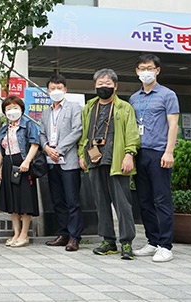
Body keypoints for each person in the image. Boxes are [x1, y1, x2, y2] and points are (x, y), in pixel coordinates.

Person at [78, 68, 140, 260]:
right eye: (100, 84)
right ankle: (108, 241)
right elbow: (84, 133)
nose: (103, 87)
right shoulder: (89, 107)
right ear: (94, 86)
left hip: (117, 159)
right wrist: (82, 154)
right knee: (101, 202)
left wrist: (129, 154)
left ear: (115, 86)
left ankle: (127, 242)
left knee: (122, 204)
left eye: (107, 84)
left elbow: (132, 133)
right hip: (95, 159)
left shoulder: (124, 107)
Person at [129, 54, 180, 262]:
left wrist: (169, 151)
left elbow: (173, 125)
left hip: (159, 153)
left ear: (157, 70)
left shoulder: (168, 95)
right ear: (137, 71)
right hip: (140, 153)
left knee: (162, 199)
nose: (145, 72)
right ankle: (152, 241)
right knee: (144, 200)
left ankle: (166, 245)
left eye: (149, 68)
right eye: (142, 68)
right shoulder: (134, 98)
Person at [40, 74, 84, 252]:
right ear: (47, 91)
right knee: (57, 200)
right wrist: (46, 148)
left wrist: (59, 149)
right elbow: (42, 133)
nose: (55, 91)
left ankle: (74, 237)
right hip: (52, 161)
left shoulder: (74, 108)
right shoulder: (46, 112)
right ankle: (63, 233)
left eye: (59, 88)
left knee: (72, 200)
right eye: (52, 88)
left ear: (65, 89)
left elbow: (77, 130)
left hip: (69, 161)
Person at [0, 95, 40, 248]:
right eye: (8, 109)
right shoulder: (3, 129)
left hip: (23, 165)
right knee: (12, 201)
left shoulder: (28, 125)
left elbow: (35, 144)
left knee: (25, 200)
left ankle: (24, 234)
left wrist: (27, 161)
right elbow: (0, 150)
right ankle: (16, 233)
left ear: (21, 109)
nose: (12, 111)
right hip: (8, 165)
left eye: (15, 107)